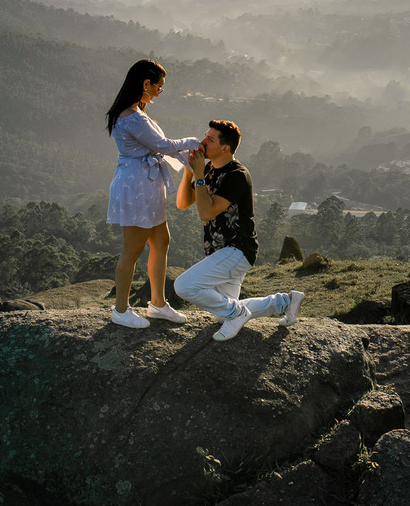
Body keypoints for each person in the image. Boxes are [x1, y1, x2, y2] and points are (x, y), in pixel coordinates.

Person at [174, 119, 303, 341]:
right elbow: (183, 202)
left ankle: (239, 313)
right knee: (222, 316)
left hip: (237, 249)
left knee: (184, 286)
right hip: (219, 251)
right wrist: (189, 170)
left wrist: (198, 175)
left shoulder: (237, 175)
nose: (203, 142)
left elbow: (206, 212)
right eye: (205, 136)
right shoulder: (209, 170)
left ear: (225, 148)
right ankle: (287, 301)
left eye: (210, 139)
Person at [105, 59, 199, 328]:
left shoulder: (135, 112)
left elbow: (158, 149)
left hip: (146, 184)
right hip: (137, 187)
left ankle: (158, 304)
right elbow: (162, 145)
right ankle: (121, 310)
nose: (160, 91)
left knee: (161, 241)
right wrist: (194, 143)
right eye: (159, 86)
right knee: (131, 250)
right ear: (146, 83)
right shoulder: (132, 117)